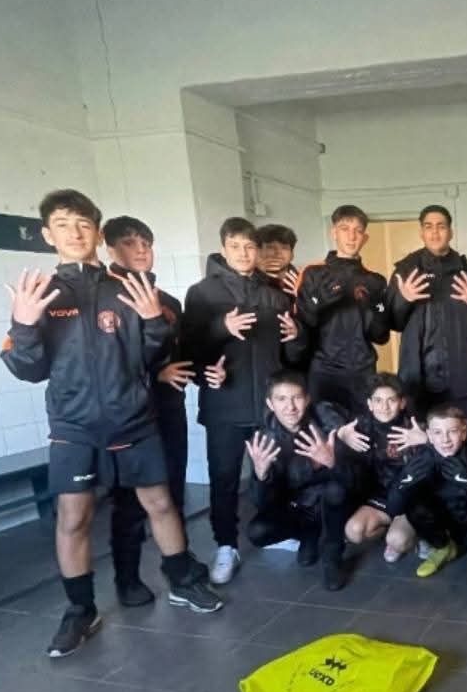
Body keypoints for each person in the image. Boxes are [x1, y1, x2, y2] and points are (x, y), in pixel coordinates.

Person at [0, 190, 222, 658]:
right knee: (73, 517)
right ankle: (81, 610)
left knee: (161, 503)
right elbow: (29, 370)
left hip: (134, 419)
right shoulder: (41, 294)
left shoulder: (127, 289)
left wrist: (153, 323)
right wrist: (23, 325)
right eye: (63, 224)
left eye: (83, 223)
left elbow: (150, 357)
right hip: (74, 427)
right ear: (47, 235)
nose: (75, 232)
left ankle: (182, 579)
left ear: (97, 233)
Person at [102, 215, 226, 607]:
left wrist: (207, 372)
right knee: (130, 503)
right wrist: (156, 375)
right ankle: (127, 579)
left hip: (168, 411)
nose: (141, 250)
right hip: (127, 416)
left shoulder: (167, 302)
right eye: (129, 243)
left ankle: (178, 571)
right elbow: (101, 362)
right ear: (110, 248)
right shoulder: (105, 298)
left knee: (171, 492)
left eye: (146, 243)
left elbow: (186, 353)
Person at [181, 217, 302, 586]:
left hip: (268, 407)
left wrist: (296, 336)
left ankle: (277, 530)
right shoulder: (202, 293)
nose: (244, 253)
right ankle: (226, 545)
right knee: (224, 478)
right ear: (223, 249)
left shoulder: (275, 294)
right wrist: (222, 329)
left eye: (250, 246)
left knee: (277, 473)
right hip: (225, 404)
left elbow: (292, 358)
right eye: (235, 247)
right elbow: (188, 348)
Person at [243, 371, 355, 590]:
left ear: (308, 399)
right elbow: (262, 504)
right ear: (270, 404)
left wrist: (333, 462)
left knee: (336, 489)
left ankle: (332, 554)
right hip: (297, 507)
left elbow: (353, 481)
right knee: (257, 532)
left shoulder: (327, 420)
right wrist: (261, 474)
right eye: (281, 399)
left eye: (297, 398)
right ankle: (309, 534)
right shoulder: (263, 439)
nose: (290, 407)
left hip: (329, 502)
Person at [386, 204, 467, 430]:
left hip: (460, 379)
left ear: (450, 232)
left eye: (441, 226)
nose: (435, 232)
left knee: (463, 437)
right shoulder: (405, 272)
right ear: (421, 232)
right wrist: (404, 299)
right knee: (417, 439)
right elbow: (392, 324)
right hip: (416, 379)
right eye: (428, 227)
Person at [385, 403, 467, 578]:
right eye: (438, 433)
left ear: (463, 433)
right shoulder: (423, 457)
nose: (445, 440)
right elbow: (393, 509)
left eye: (452, 431)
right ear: (429, 436)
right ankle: (444, 547)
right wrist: (403, 483)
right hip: (444, 524)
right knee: (414, 504)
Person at [294, 205, 390, 413]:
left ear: (365, 238)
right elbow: (301, 326)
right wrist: (319, 302)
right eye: (345, 229)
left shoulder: (375, 280)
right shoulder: (313, 273)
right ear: (334, 233)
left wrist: (378, 310)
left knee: (363, 429)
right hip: (324, 370)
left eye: (358, 231)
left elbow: (381, 337)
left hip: (363, 370)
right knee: (326, 427)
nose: (351, 236)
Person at [340, 373, 426, 562]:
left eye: (391, 400)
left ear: (402, 403)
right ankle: (388, 529)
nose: (384, 407)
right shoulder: (361, 427)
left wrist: (427, 441)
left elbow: (450, 455)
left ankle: (409, 534)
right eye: (378, 400)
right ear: (370, 404)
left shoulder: (415, 427)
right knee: (353, 531)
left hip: (409, 497)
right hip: (380, 497)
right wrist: (340, 436)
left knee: (398, 540)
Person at [255, 223, 300, 296]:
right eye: (271, 247)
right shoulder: (246, 281)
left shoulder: (305, 281)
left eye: (284, 248)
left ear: (292, 254)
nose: (278, 252)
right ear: (258, 252)